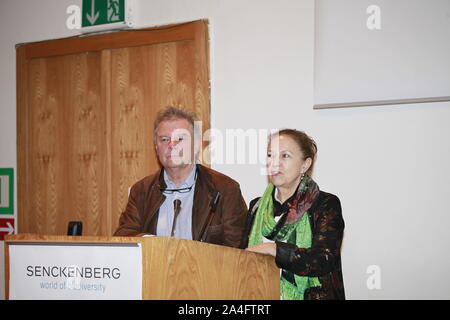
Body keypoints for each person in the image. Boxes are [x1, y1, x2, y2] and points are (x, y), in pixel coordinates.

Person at [114, 106, 248, 248]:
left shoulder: (225, 189)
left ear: (196, 145)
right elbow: (124, 236)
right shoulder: (141, 191)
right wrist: (153, 243)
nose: (172, 145)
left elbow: (238, 249)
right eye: (164, 139)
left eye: (179, 139)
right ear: (156, 146)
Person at [243, 129, 345, 300]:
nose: (275, 163)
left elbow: (323, 260)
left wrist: (274, 249)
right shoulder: (257, 206)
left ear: (305, 165)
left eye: (285, 156)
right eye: (270, 155)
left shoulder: (325, 204)